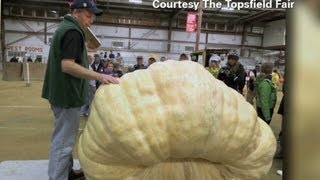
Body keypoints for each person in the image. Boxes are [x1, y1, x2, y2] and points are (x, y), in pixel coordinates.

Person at [41, 1, 119, 179]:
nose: (91, 21)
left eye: (92, 17)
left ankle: (66, 172)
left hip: (60, 93)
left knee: (64, 136)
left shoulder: (67, 28)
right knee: (63, 141)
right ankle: (58, 177)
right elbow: (67, 66)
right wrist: (99, 76)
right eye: (88, 16)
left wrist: (85, 54)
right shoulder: (73, 32)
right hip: (67, 95)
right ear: (76, 13)